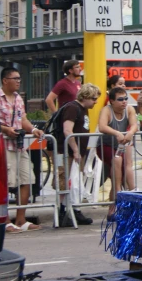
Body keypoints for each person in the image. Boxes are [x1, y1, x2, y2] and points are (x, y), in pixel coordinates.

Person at [0, 67, 44, 232]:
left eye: (20, 78)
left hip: (19, 146)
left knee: (27, 179)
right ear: (5, 80)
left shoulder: (19, 98)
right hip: (3, 146)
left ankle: (21, 219)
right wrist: (6, 129)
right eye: (16, 78)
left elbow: (23, 119)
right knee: (5, 183)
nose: (19, 81)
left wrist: (33, 130)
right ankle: (4, 220)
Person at [55, 83, 99, 227]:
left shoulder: (83, 109)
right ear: (85, 96)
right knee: (65, 181)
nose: (95, 102)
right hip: (66, 152)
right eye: (93, 98)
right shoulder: (72, 108)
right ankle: (62, 212)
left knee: (75, 182)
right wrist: (75, 149)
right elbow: (68, 130)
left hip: (77, 152)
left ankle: (74, 210)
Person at [98, 86, 137, 212]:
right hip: (105, 145)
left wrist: (130, 132)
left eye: (126, 98)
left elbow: (134, 124)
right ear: (112, 101)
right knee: (118, 164)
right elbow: (102, 127)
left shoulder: (129, 109)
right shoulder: (106, 110)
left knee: (120, 173)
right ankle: (119, 195)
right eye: (120, 99)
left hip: (120, 146)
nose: (124, 101)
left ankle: (113, 209)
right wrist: (116, 133)